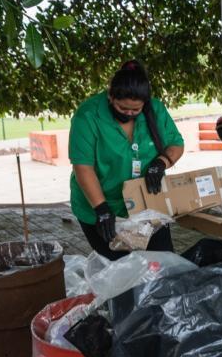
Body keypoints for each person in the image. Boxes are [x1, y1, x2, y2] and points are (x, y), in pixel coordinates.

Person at [69, 60, 185, 260]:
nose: (129, 114)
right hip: (102, 208)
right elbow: (83, 168)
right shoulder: (88, 116)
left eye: (135, 110)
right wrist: (101, 208)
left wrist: (161, 163)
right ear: (110, 96)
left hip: (147, 204)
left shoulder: (155, 110)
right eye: (123, 108)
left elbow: (176, 144)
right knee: (119, 268)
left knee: (163, 262)